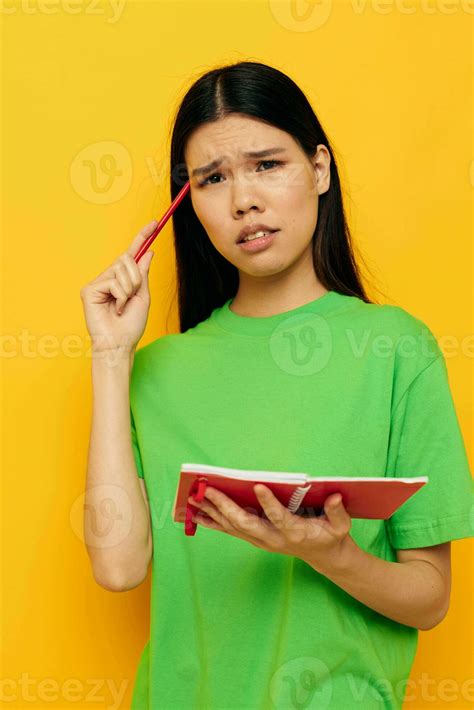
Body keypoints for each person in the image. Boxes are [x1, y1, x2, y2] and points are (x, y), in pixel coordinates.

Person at [80, 61, 473, 710]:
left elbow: (430, 597)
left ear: (319, 169)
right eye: (212, 179)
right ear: (191, 204)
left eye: (267, 165)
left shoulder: (397, 349)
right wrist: (110, 354)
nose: (243, 201)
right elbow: (119, 570)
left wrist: (331, 554)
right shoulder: (154, 371)